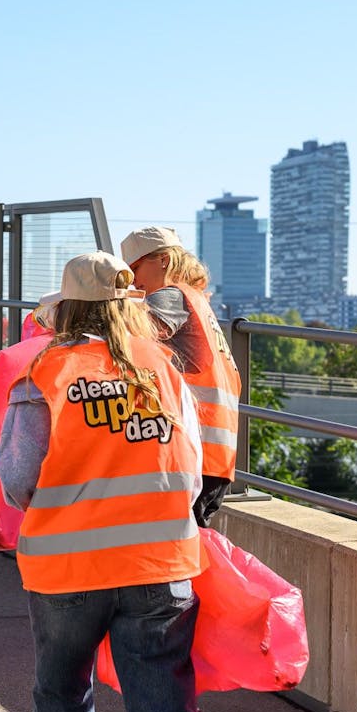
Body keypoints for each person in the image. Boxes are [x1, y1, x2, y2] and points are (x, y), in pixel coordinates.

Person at [0, 251, 218, 712]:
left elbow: (17, 479)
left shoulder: (46, 372)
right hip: (159, 567)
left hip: (67, 571)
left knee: (62, 705)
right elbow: (191, 471)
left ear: (65, 310)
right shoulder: (163, 370)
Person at [120, 226, 242, 529]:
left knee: (177, 549)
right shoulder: (197, 300)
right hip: (216, 455)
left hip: (195, 449)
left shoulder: (171, 298)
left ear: (162, 260)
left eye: (134, 269)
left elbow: (131, 332)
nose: (133, 281)